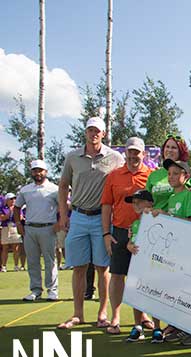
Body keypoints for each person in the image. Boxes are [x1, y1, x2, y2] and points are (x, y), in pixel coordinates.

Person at [57, 117, 124, 329]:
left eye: (97, 131)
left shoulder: (115, 157)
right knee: (78, 266)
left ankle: (102, 314)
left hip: (102, 218)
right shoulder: (72, 157)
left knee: (102, 267)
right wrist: (63, 214)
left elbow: (122, 182)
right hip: (77, 216)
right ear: (85, 132)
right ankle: (78, 314)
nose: (93, 134)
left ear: (103, 134)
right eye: (90, 130)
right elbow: (63, 186)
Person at [100, 137, 153, 338]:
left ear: (144, 154)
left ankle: (143, 315)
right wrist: (106, 233)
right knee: (117, 275)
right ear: (125, 153)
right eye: (130, 152)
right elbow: (106, 205)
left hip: (144, 232)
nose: (133, 156)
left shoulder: (151, 175)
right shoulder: (114, 176)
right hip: (120, 231)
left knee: (141, 276)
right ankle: (116, 316)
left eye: (137, 152)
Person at [152, 158, 191, 346]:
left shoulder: (189, 195)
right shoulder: (171, 197)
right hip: (174, 253)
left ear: (186, 176)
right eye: (169, 174)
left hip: (188, 251)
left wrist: (168, 217)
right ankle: (178, 326)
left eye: (175, 173)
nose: (171, 177)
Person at [14, 160, 59, 301]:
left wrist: (61, 222)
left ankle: (52, 290)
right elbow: (16, 207)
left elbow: (63, 206)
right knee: (32, 261)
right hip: (29, 228)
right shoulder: (25, 189)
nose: (37, 173)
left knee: (50, 261)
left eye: (40, 170)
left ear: (46, 172)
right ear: (31, 172)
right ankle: (35, 290)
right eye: (35, 170)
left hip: (48, 228)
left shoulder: (54, 189)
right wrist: (18, 223)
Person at [124, 189, 161, 342]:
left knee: (155, 295)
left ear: (150, 203)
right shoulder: (136, 223)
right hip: (138, 266)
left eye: (139, 201)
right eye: (133, 202)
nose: (135, 204)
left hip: (154, 266)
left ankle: (157, 327)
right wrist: (129, 246)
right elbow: (131, 243)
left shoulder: (158, 218)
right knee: (136, 295)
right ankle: (137, 326)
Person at [145, 134, 191, 212]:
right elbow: (146, 201)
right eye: (167, 147)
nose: (169, 150)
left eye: (174, 148)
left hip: (182, 221)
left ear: (181, 151)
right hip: (157, 220)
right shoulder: (153, 175)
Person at [0, 193, 22, 272]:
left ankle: (16, 266)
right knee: (5, 248)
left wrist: (15, 212)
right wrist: (10, 211)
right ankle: (4, 266)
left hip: (14, 227)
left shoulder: (17, 208)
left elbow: (20, 217)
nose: (13, 200)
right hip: (6, 228)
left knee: (15, 248)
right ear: (7, 200)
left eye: (14, 199)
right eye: (11, 199)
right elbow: (2, 218)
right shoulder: (3, 208)